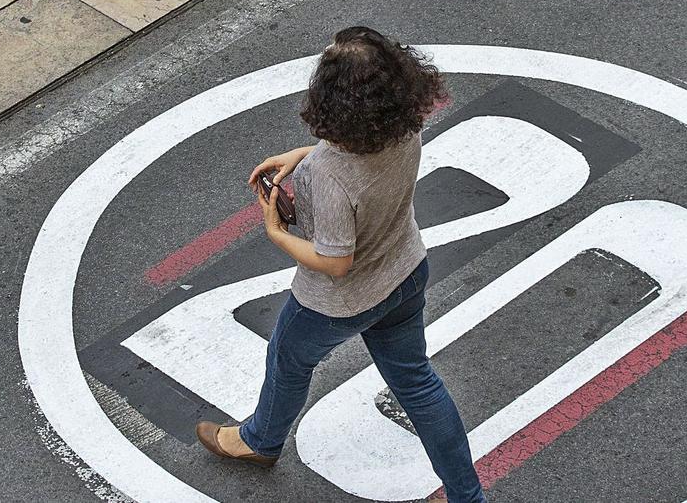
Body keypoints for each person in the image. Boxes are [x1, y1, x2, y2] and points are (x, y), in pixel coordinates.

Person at [194, 26, 486, 502]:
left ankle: (259, 442)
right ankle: (467, 496)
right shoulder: (405, 124)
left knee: (288, 359)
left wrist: (276, 232)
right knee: (417, 384)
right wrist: (307, 155)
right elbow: (366, 168)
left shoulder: (331, 175)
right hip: (406, 272)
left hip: (338, 301)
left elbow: (334, 263)